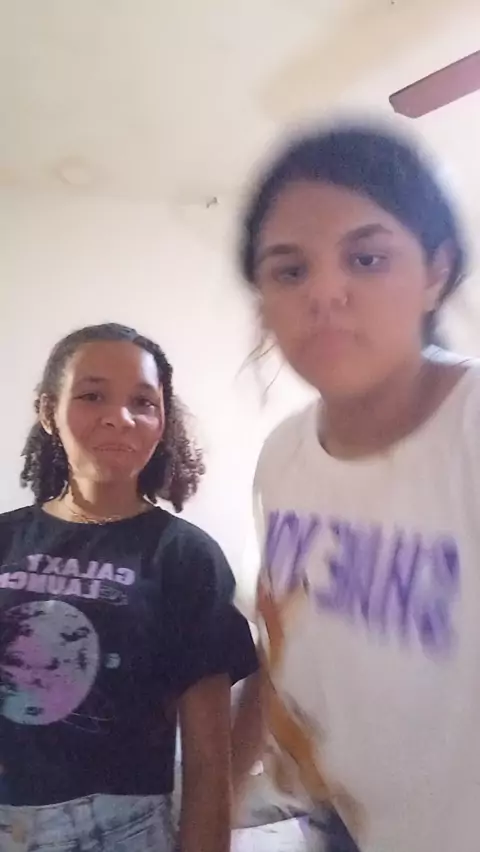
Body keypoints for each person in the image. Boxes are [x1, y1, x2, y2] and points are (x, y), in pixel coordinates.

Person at [231, 123, 480, 852]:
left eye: (366, 258)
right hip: (339, 824)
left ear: (436, 271)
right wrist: (220, 800)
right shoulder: (282, 458)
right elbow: (283, 636)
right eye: (289, 271)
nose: (325, 293)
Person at [0, 322, 258, 852]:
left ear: (162, 422)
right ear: (48, 411)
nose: (120, 417)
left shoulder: (184, 556)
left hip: (116, 828)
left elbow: (210, 763)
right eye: (92, 395)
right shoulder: (6, 537)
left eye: (143, 402)